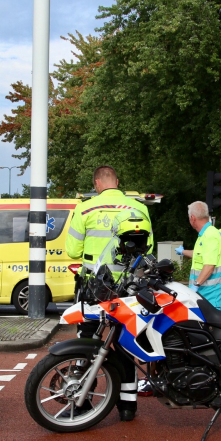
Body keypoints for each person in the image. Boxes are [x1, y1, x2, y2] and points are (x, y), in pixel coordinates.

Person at [65, 165, 153, 422]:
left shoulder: (84, 208)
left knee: (87, 342)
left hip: (95, 287)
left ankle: (82, 402)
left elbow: (72, 249)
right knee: (126, 344)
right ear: (118, 181)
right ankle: (127, 406)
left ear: (96, 184)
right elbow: (148, 250)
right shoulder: (140, 208)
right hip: (129, 288)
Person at [175, 201, 221, 309]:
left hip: (213, 290)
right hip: (208, 289)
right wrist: (183, 252)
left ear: (192, 218)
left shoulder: (210, 235)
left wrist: (195, 286)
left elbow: (210, 265)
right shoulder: (205, 234)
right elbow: (200, 255)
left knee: (213, 323)